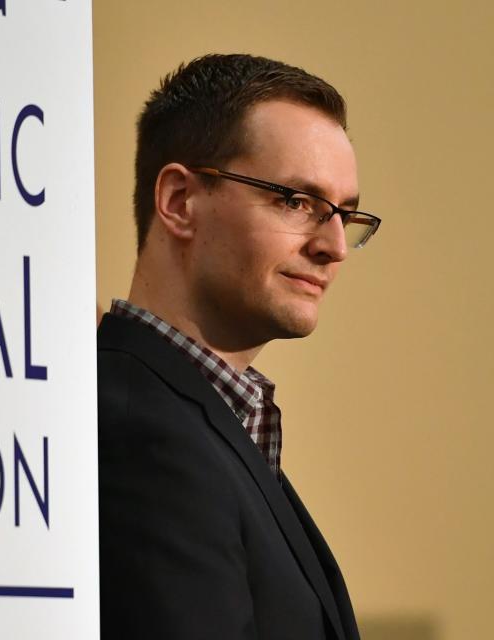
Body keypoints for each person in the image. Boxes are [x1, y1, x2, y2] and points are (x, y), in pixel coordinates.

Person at [98, 54, 380, 639]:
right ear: (179, 201)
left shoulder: (212, 418)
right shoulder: (142, 431)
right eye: (296, 202)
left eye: (345, 215)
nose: (335, 246)